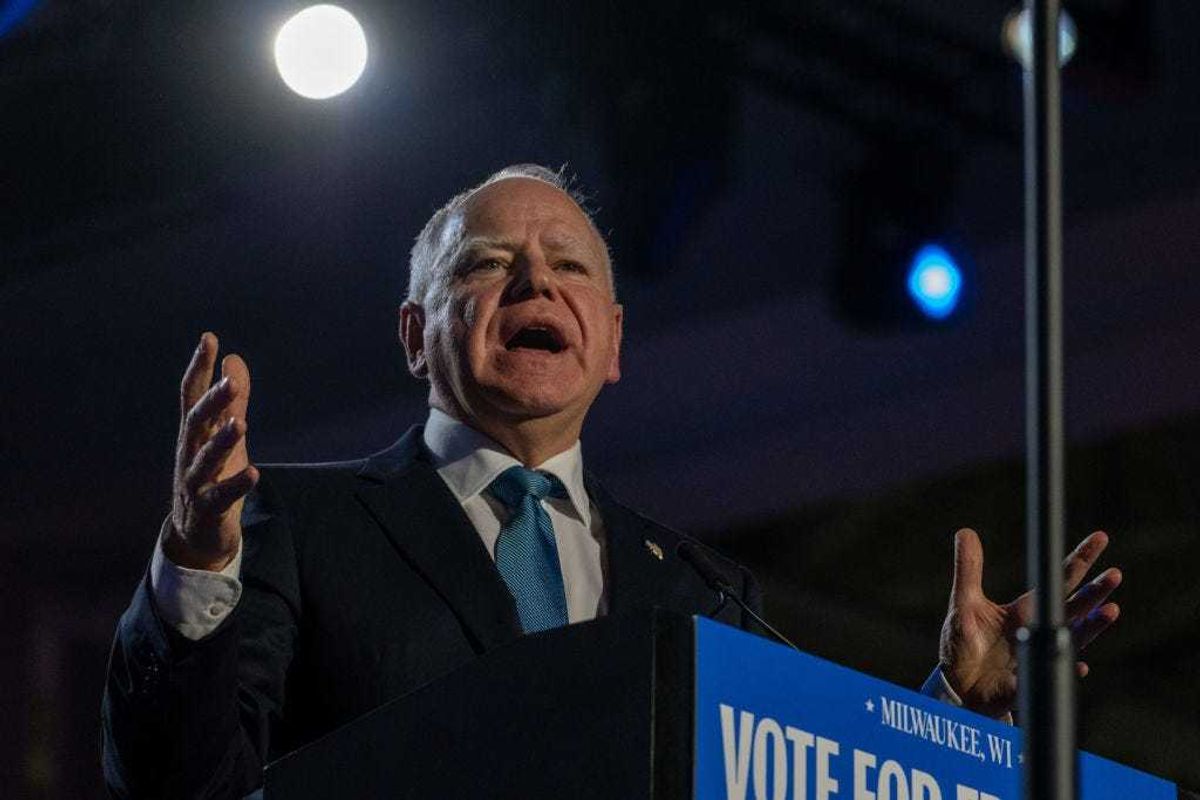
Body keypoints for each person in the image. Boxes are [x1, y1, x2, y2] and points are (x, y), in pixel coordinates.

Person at [101, 164, 1122, 798]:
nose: (536, 280)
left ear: (615, 342)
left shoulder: (702, 590)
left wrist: (951, 715)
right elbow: (180, 784)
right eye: (486, 262)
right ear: (415, 335)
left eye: (571, 266)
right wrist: (194, 565)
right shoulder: (297, 521)